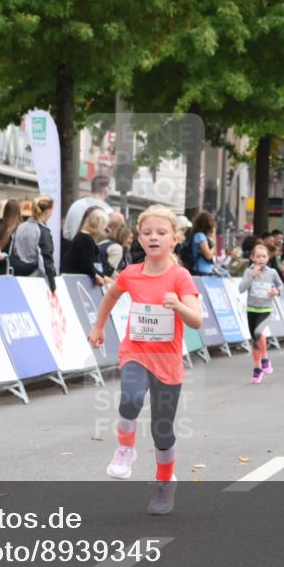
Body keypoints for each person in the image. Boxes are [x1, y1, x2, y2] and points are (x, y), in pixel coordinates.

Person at [87, 205, 202, 515]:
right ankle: (125, 449)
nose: (154, 238)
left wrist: (178, 305)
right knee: (130, 399)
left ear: (174, 239)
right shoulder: (131, 274)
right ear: (139, 237)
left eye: (161, 233)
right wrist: (98, 326)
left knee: (162, 432)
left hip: (167, 363)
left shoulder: (180, 276)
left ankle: (165, 482)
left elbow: (197, 320)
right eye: (148, 233)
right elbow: (111, 295)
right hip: (135, 353)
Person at [239, 244, 282, 383]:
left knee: (258, 332)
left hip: (266, 310)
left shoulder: (272, 272)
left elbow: (280, 286)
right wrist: (251, 276)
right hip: (251, 310)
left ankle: (265, 358)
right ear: (252, 257)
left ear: (268, 258)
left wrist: (276, 291)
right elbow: (241, 289)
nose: (261, 259)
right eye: (258, 256)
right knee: (254, 339)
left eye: (264, 256)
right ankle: (257, 368)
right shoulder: (248, 271)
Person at [10, 195, 58, 292]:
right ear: (48, 211)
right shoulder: (43, 231)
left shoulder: (20, 227)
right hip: (36, 280)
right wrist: (52, 286)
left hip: (18, 277)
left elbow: (12, 251)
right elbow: (46, 261)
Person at [63, 208, 109, 285]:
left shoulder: (81, 235)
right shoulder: (87, 239)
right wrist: (99, 276)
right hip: (77, 281)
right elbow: (88, 265)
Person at [63, 175, 112, 240]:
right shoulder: (107, 210)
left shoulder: (76, 204)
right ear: (106, 189)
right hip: (92, 247)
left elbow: (66, 233)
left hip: (70, 246)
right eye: (109, 187)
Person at [185, 211, 218, 276]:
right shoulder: (200, 236)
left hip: (206, 270)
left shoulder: (203, 236)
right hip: (201, 271)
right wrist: (214, 246)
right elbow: (208, 256)